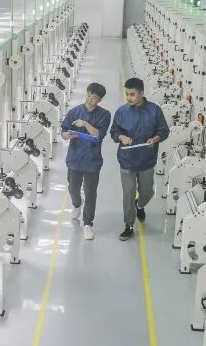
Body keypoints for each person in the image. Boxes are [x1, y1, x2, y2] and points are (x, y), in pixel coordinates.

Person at [110, 77, 170, 240]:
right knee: (128, 194)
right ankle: (128, 225)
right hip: (127, 159)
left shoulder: (155, 110)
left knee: (147, 191)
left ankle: (141, 204)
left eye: (132, 94)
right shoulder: (122, 111)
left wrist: (155, 139)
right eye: (127, 94)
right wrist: (121, 137)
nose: (128, 97)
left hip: (146, 160)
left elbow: (164, 130)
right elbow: (114, 131)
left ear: (142, 93)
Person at [60, 82, 111, 240]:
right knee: (73, 188)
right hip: (75, 158)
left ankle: (88, 224)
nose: (90, 99)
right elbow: (63, 132)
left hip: (92, 160)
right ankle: (76, 204)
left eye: (94, 98)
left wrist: (85, 124)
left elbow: (98, 135)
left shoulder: (105, 115)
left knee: (90, 193)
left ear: (100, 100)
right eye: (88, 95)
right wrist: (67, 136)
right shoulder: (74, 111)